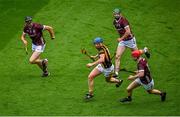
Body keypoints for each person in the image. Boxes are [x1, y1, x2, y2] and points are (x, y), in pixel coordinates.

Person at [113, 8, 150, 77]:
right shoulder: (114, 22)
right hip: (123, 41)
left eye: (117, 14)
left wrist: (121, 38)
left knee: (137, 56)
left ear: (120, 14)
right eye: (115, 14)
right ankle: (116, 72)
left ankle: (145, 50)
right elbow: (120, 31)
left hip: (130, 40)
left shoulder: (124, 21)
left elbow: (128, 32)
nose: (116, 15)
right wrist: (121, 39)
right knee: (117, 56)